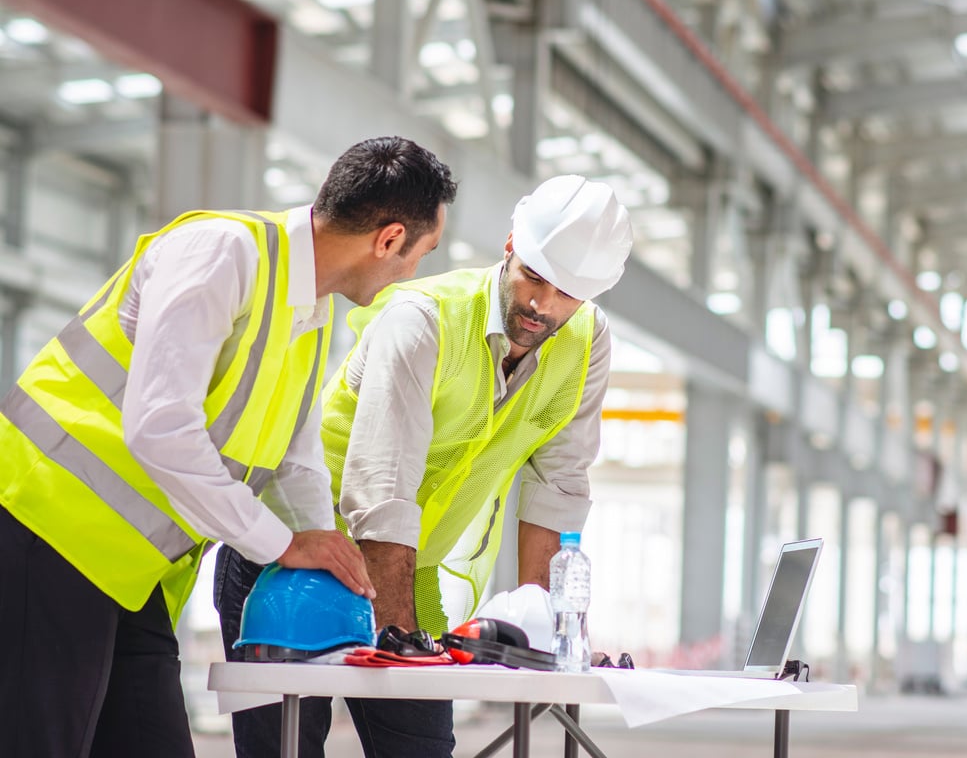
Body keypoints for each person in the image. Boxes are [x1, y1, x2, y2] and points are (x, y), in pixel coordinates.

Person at [0, 135, 457, 758]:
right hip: (47, 527)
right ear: (389, 238)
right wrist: (283, 544)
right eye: (420, 254)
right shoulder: (221, 252)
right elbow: (160, 427)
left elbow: (293, 457)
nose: (412, 273)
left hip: (131, 569)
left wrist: (323, 546)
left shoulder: (310, 311)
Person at [220, 174, 633, 757]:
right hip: (298, 555)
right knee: (287, 748)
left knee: (421, 748)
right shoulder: (423, 319)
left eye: (567, 294)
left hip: (411, 566)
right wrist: (398, 637)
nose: (543, 305)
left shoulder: (587, 343)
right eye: (534, 278)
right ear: (510, 245)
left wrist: (545, 632)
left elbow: (557, 485)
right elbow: (382, 491)